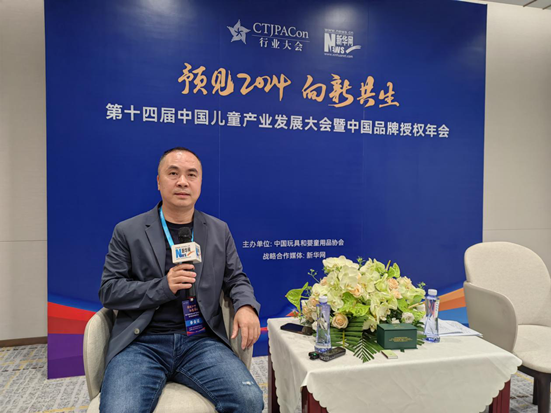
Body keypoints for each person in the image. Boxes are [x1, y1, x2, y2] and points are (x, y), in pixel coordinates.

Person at [98, 147, 263, 413]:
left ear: (200, 183)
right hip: (142, 343)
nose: (183, 182)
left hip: (200, 341)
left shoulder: (218, 230)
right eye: (173, 173)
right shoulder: (128, 231)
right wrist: (163, 287)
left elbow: (236, 278)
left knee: (249, 400)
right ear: (159, 181)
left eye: (191, 175)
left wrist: (245, 306)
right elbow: (109, 291)